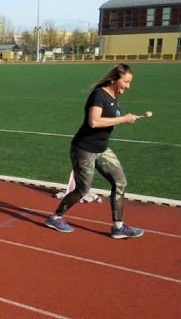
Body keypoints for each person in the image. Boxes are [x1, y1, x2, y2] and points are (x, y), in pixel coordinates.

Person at [45, 63, 145, 239]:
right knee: (83, 190)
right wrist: (123, 119)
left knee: (120, 182)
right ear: (115, 79)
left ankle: (118, 227)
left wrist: (127, 118)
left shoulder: (113, 97)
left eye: (130, 83)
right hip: (84, 149)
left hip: (102, 149)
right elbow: (94, 122)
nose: (128, 86)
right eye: (126, 82)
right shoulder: (99, 95)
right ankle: (55, 217)